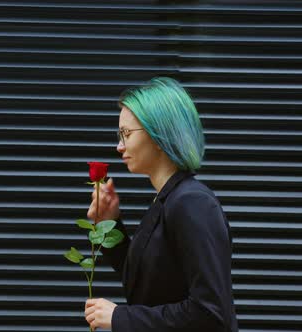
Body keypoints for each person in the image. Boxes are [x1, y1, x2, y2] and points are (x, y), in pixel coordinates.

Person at [84, 77, 238, 332]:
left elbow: (211, 313)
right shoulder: (168, 199)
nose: (119, 146)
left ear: (158, 134)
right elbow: (147, 286)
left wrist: (120, 318)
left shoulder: (192, 203)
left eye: (126, 133)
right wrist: (108, 224)